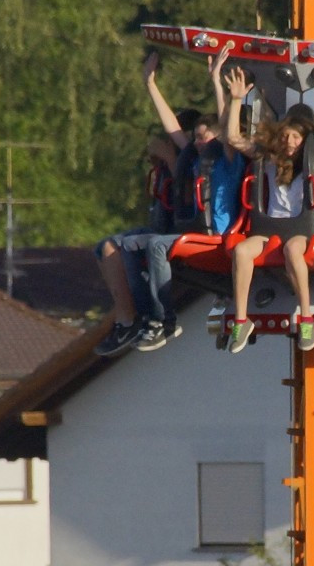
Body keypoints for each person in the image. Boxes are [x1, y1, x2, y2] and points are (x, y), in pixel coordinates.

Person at [93, 49, 243, 355]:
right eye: (197, 138)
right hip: (192, 230)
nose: (200, 143)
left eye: (205, 137)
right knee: (124, 246)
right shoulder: (192, 158)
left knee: (156, 245)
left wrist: (218, 83)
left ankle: (166, 319)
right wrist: (150, 84)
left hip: (216, 236)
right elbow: (174, 129)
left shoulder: (227, 160)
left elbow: (228, 126)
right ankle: (144, 317)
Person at [221, 64, 314, 354]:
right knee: (241, 251)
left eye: (296, 138)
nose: (289, 143)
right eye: (286, 136)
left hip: (302, 232)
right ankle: (241, 320)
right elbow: (232, 138)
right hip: (271, 228)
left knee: (293, 250)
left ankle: (305, 317)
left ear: (304, 141)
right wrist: (237, 100)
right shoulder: (270, 159)